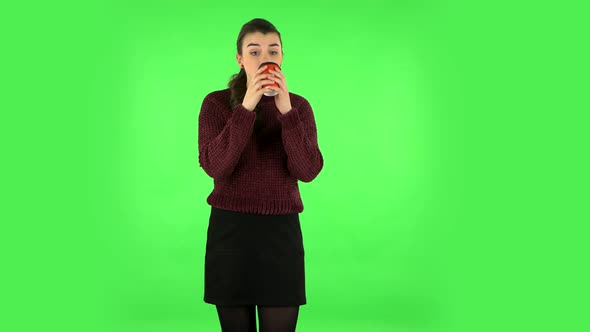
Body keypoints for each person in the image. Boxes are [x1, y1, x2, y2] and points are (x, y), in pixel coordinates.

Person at [197, 18, 324, 332]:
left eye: (272, 51)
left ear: (281, 57)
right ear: (239, 59)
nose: (264, 59)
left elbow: (308, 170)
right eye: (254, 52)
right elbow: (216, 166)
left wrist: (286, 112)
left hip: (281, 235)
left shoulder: (299, 108)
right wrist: (248, 105)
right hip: (231, 233)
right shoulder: (215, 104)